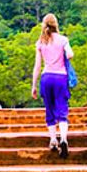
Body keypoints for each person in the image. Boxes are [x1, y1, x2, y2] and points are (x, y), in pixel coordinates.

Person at [31, 13, 73, 158]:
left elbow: (37, 66)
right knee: (62, 109)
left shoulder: (41, 42)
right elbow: (70, 54)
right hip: (61, 77)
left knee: (49, 109)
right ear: (56, 24)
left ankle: (53, 139)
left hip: (46, 77)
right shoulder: (63, 40)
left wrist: (34, 85)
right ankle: (64, 139)